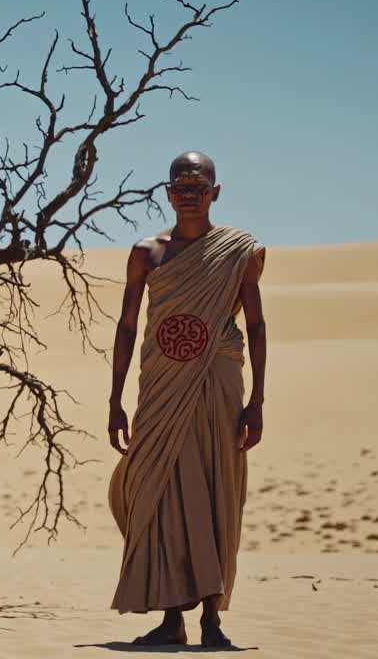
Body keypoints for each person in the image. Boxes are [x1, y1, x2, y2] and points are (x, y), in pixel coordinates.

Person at [105, 150, 267, 648]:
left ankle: (212, 621)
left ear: (215, 193)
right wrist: (114, 399)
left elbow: (256, 325)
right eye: (180, 188)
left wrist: (257, 402)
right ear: (168, 193)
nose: (189, 196)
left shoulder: (239, 251)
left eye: (199, 188)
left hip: (218, 384)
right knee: (155, 488)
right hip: (160, 385)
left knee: (218, 490)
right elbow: (128, 325)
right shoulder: (147, 252)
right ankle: (172, 617)